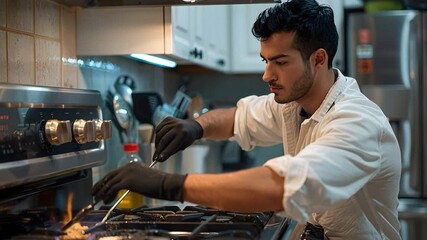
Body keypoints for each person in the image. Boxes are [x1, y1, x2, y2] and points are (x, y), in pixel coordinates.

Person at [92, 0, 402, 239]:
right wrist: (195, 127)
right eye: (266, 60)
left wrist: (168, 184)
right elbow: (238, 117)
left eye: (280, 62)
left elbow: (282, 187)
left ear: (318, 59)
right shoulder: (292, 104)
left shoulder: (356, 122)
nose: (268, 74)